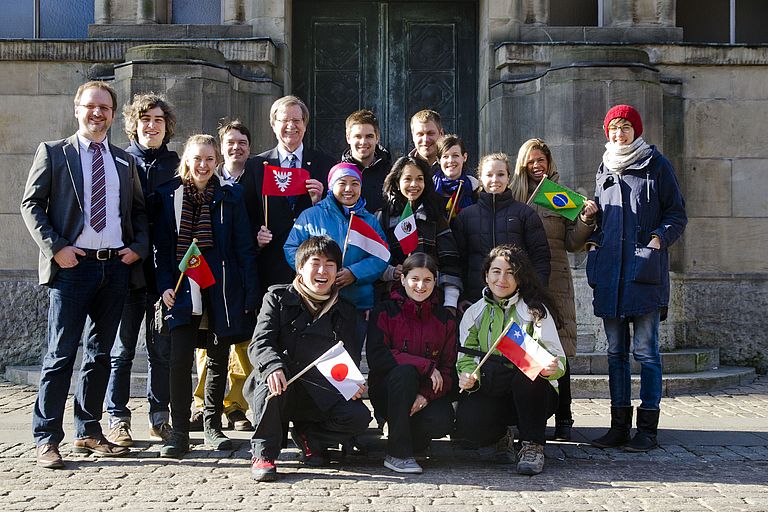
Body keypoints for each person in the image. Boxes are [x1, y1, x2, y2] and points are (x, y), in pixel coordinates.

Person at [20, 81, 148, 468]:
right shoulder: (54, 153)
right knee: (60, 355)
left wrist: (137, 249)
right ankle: (47, 438)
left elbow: (139, 212)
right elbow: (31, 204)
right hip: (72, 268)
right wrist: (56, 247)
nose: (98, 113)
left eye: (105, 108)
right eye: (91, 106)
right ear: (77, 109)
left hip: (115, 268)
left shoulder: (125, 160)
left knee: (100, 355)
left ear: (113, 113)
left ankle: (89, 432)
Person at [588, 105, 687, 452]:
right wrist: (591, 221)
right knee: (616, 354)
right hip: (611, 275)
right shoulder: (604, 168)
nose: (620, 134)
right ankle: (618, 426)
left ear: (636, 130)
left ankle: (647, 429)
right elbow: (602, 221)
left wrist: (659, 237)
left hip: (644, 273)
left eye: (626, 128)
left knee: (646, 352)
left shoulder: (656, 165)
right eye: (614, 128)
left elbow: (677, 213)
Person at [153, 134, 258, 458]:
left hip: (220, 289)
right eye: (197, 158)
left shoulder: (230, 196)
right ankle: (180, 431)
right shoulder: (168, 195)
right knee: (180, 360)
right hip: (182, 289)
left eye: (209, 159)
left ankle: (212, 426)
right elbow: (161, 250)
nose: (203, 165)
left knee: (217, 359)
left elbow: (244, 248)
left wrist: (249, 293)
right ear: (187, 159)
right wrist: (164, 287)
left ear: (216, 162)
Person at [245, 236, 371, 482]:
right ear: (300, 267)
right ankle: (264, 454)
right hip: (283, 383)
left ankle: (310, 437)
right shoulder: (277, 298)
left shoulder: (345, 310)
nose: (322, 271)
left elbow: (348, 356)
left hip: (319, 389)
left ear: (337, 271)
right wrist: (272, 367)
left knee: (358, 416)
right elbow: (260, 342)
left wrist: (352, 382)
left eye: (330, 264)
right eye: (315, 263)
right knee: (272, 385)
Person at [510, 138, 599, 441]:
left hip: (555, 280)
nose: (537, 166)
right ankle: (525, 416)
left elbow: (574, 242)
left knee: (559, 347)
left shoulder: (560, 196)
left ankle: (564, 416)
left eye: (542, 160)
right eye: (531, 161)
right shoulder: (513, 195)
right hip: (520, 279)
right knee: (522, 345)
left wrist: (585, 219)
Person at [105, 92, 179, 447]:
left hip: (164, 272)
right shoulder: (117, 161)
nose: (152, 126)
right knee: (122, 350)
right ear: (133, 125)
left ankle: (159, 417)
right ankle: (117, 418)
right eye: (145, 119)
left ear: (167, 127)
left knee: (161, 351)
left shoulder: (177, 165)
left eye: (159, 120)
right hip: (127, 269)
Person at [455, 245, 565, 476]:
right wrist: (468, 376)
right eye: (496, 271)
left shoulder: (535, 311)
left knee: (528, 376)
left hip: (534, 393)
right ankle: (500, 435)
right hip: (492, 383)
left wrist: (551, 369)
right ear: (486, 276)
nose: (502, 279)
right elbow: (466, 357)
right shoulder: (473, 313)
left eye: (510, 272)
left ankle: (533, 445)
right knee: (467, 419)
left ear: (520, 277)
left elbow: (558, 358)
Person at [187, 120, 257, 433]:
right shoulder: (191, 187)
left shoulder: (258, 174)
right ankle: (203, 405)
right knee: (207, 347)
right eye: (230, 142)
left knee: (238, 345)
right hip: (200, 275)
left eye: (242, 142)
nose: (236, 147)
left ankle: (234, 406)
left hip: (237, 273)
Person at [366, 253, 457, 474]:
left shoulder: (445, 319)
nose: (420, 285)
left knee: (442, 419)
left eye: (427, 280)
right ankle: (397, 454)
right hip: (389, 391)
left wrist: (426, 395)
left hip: (426, 394)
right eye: (414, 278)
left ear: (435, 282)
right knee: (405, 372)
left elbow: (447, 369)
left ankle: (415, 441)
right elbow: (378, 356)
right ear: (403, 279)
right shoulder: (385, 311)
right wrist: (424, 365)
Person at [284, 162, 389, 348]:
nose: (349, 189)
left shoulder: (370, 221)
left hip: (357, 303)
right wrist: (316, 274)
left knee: (350, 363)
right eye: (342, 183)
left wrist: (354, 273)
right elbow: (292, 248)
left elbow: (381, 255)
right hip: (315, 303)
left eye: (355, 183)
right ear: (332, 186)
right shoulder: (310, 216)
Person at [239, 95, 335, 296]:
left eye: (297, 120)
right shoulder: (256, 166)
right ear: (274, 125)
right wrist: (257, 234)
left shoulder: (325, 164)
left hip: (314, 268)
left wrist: (321, 199)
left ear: (305, 125)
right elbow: (244, 215)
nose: (291, 126)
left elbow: (336, 214)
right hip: (270, 265)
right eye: (284, 120)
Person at [452, 153, 551, 309]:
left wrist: (534, 296)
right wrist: (462, 297)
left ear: (508, 177)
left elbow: (540, 259)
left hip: (518, 301)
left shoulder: (525, 214)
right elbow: (458, 262)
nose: (495, 180)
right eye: (489, 175)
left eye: (500, 174)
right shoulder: (465, 217)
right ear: (480, 178)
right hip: (476, 302)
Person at [376, 156, 462, 312]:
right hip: (394, 302)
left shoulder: (435, 218)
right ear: (397, 182)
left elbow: (450, 261)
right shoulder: (383, 218)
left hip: (432, 301)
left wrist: (450, 302)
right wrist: (390, 272)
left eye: (419, 179)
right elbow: (374, 259)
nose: (414, 185)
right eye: (407, 179)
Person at [341, 109, 392, 214]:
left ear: (377, 137)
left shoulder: (392, 173)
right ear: (348, 138)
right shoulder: (338, 174)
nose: (363, 142)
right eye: (358, 136)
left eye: (369, 136)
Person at [433, 134, 479, 218]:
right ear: (438, 160)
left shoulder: (476, 190)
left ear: (464, 157)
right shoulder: (429, 188)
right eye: (445, 156)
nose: (450, 161)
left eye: (455, 155)